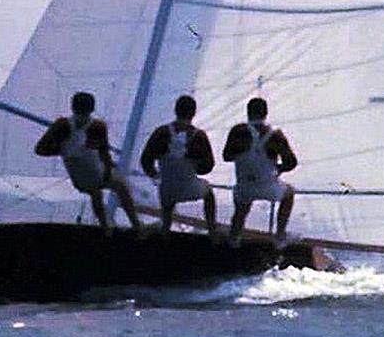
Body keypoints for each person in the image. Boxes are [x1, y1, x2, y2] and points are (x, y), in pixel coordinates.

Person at [34, 91, 142, 235]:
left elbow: (40, 149)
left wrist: (63, 150)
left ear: (72, 107)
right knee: (121, 186)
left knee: (95, 192)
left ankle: (105, 227)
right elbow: (104, 152)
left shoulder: (62, 125)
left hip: (79, 176)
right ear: (92, 109)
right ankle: (136, 225)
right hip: (93, 172)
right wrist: (110, 168)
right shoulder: (97, 126)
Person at [139, 94, 218, 238]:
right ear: (193, 113)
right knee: (209, 192)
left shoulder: (161, 132)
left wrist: (156, 176)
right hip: (190, 187)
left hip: (167, 189)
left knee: (167, 207)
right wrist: (195, 165)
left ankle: (165, 230)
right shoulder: (199, 136)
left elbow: (145, 160)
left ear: (175, 110)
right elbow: (208, 166)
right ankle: (212, 230)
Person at [223, 97, 297, 246]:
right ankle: (280, 236)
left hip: (244, 186)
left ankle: (234, 239)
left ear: (248, 112)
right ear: (266, 113)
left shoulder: (238, 132)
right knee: (289, 193)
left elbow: (227, 156)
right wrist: (278, 168)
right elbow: (291, 162)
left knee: (241, 211)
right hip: (268, 186)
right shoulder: (275, 135)